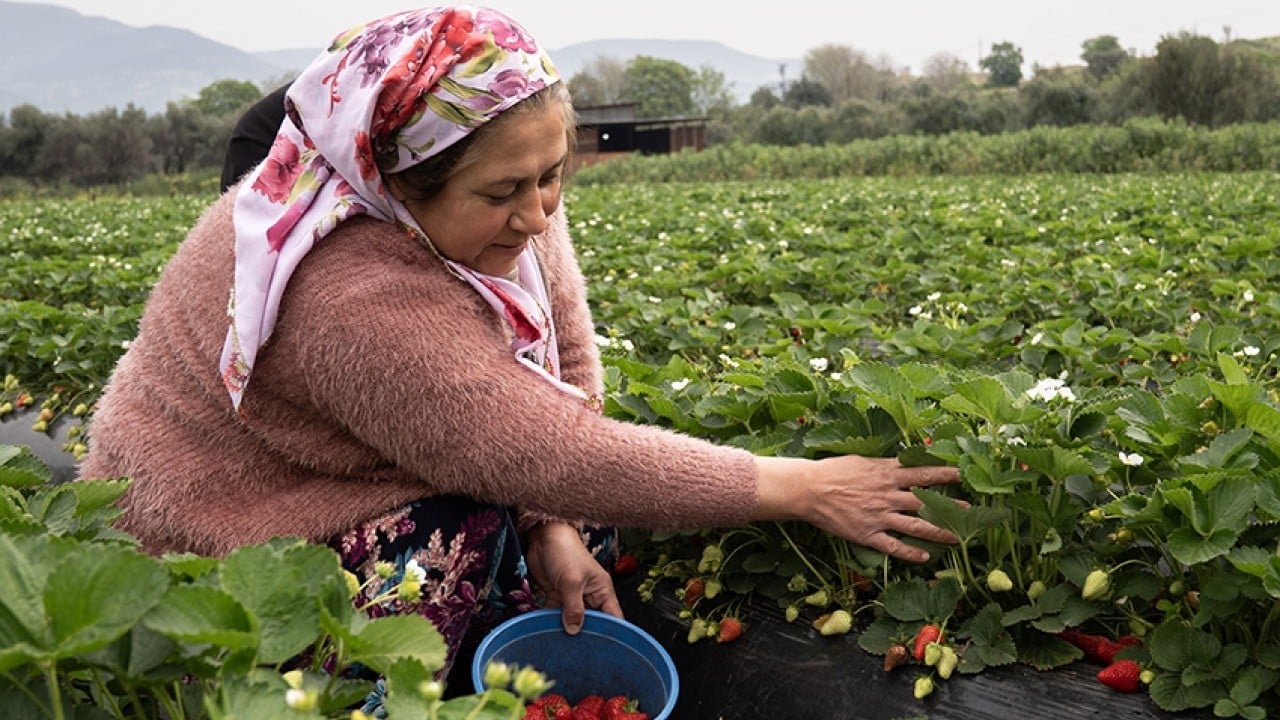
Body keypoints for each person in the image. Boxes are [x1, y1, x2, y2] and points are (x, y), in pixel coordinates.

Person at [80, 3, 961, 699]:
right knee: (454, 537)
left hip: (383, 453)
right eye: (507, 192)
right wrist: (804, 487)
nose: (539, 213)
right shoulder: (348, 291)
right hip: (223, 533)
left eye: (554, 176)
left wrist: (556, 522)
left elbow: (566, 377)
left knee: (583, 518)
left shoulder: (502, 152)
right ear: (400, 182)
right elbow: (544, 447)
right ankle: (332, 689)